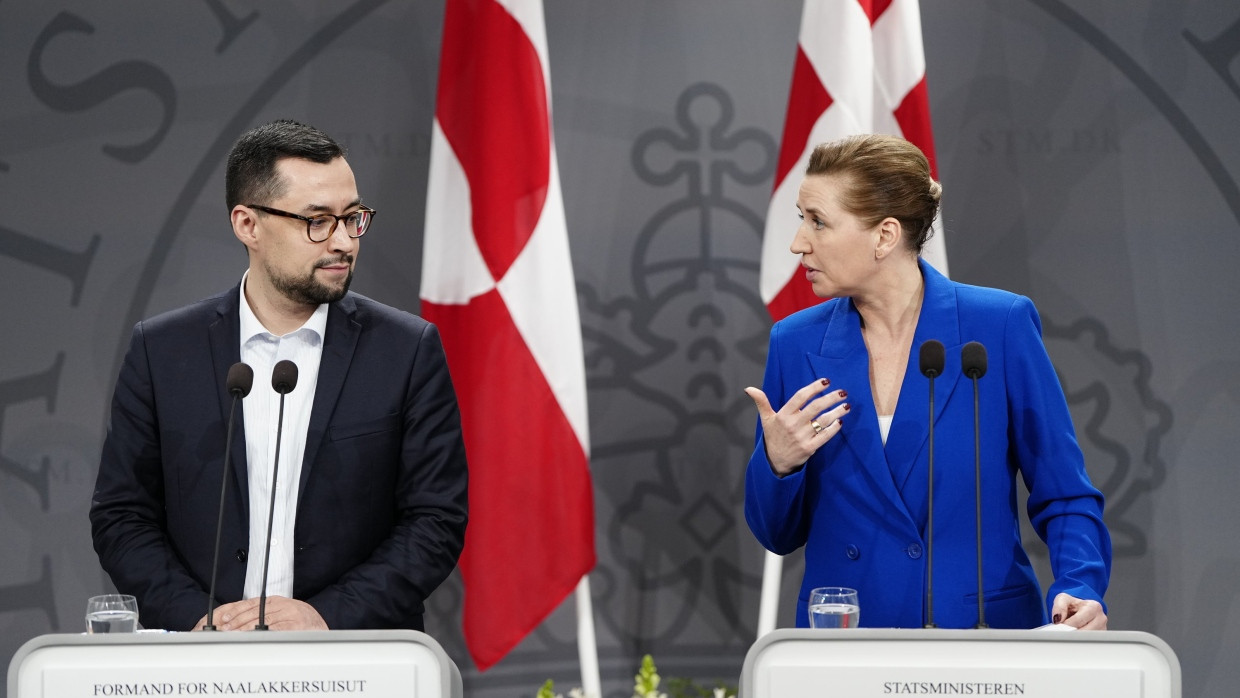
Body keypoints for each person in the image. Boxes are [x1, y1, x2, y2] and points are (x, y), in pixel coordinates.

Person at [90, 119, 468, 632]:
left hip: (354, 659)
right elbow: (122, 516)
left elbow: (435, 520)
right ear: (248, 224)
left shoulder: (406, 350)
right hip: (202, 665)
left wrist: (325, 617)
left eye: (352, 217)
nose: (343, 242)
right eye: (317, 221)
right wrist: (199, 620)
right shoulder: (161, 351)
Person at [744, 134, 1111, 630]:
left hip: (978, 637)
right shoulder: (794, 342)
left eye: (818, 222)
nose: (798, 243)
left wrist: (1079, 584)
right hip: (848, 643)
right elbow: (776, 534)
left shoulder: (997, 326)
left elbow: (1064, 492)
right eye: (801, 218)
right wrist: (778, 464)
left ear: (885, 235)